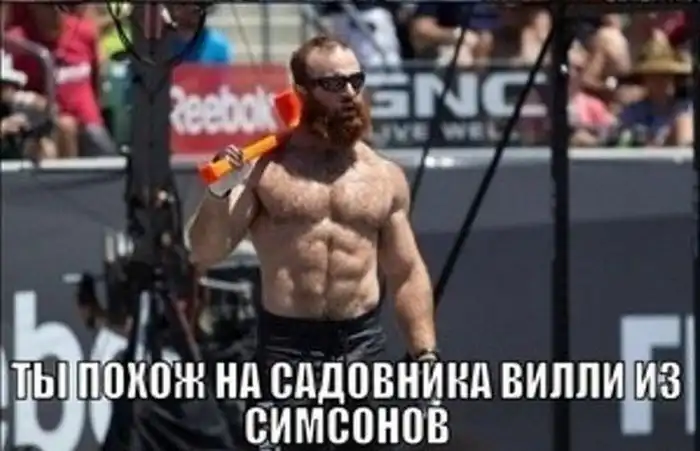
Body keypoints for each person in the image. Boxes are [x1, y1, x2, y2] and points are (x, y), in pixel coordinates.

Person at [187, 35, 438, 450]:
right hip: (286, 351)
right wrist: (217, 195)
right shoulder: (266, 171)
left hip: (360, 349)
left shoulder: (383, 175)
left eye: (356, 81)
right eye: (334, 84)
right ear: (302, 91)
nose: (350, 93)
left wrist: (424, 354)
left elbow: (406, 272)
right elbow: (204, 251)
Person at [6, 3, 117, 157]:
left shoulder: (85, 32)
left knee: (105, 152)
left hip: (88, 123)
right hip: (43, 124)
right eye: (48, 5)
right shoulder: (18, 42)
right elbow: (8, 91)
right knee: (63, 130)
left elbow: (97, 78)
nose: (55, 10)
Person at [614, 39, 693, 147]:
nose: (661, 82)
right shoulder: (633, 111)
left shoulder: (685, 109)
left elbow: (684, 143)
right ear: (644, 79)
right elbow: (622, 142)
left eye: (666, 76)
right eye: (654, 77)